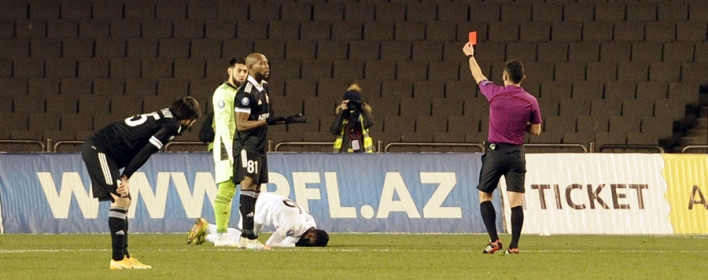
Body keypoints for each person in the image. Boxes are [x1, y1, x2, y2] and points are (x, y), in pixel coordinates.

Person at [81, 96, 201, 269]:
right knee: (121, 198)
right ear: (189, 119)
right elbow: (147, 150)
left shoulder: (166, 115)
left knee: (124, 200)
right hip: (99, 149)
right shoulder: (173, 125)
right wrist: (126, 176)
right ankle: (118, 259)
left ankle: (124, 256)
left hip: (106, 152)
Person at [462, 42, 542, 255]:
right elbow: (536, 131)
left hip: (496, 153)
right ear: (522, 78)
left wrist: (470, 55)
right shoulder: (531, 101)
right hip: (516, 155)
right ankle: (514, 246)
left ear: (504, 77)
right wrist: (518, 122)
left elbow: (478, 76)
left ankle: (494, 241)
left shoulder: (495, 93)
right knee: (516, 202)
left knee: (485, 195)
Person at [232, 52, 308, 250]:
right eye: (262, 63)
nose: (267, 66)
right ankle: (248, 237)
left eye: (267, 63)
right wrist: (267, 121)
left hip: (259, 144)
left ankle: (247, 237)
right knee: (248, 184)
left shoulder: (264, 87)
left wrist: (286, 120)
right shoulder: (245, 93)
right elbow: (241, 125)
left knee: (256, 188)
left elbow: (267, 117)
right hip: (246, 145)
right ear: (250, 68)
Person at [187, 192, 329, 248]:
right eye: (311, 241)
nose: (308, 242)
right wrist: (269, 246)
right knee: (247, 241)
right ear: (311, 234)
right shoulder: (294, 226)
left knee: (248, 238)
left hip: (265, 200)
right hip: (256, 207)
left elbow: (291, 239)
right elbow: (275, 240)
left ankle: (207, 228)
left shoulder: (309, 223)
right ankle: (206, 235)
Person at [210, 57, 249, 247]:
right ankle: (220, 235)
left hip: (241, 145)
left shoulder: (242, 93)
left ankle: (224, 232)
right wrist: (230, 148)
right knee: (226, 190)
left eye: (245, 71)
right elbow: (223, 124)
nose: (242, 74)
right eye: (239, 70)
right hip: (228, 147)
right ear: (230, 71)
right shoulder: (223, 93)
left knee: (235, 190)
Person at [330, 83, 375, 153]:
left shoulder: (363, 113)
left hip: (362, 152)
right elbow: (334, 130)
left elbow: (370, 123)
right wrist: (341, 113)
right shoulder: (342, 114)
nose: (351, 105)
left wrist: (361, 107)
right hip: (343, 152)